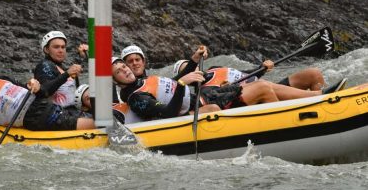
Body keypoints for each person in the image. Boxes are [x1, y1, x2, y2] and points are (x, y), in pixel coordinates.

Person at [0, 48, 96, 143]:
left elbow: (40, 92)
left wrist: (35, 85)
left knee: (100, 117)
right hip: (39, 118)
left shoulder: (2, 78)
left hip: (48, 105)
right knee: (98, 124)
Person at [173, 56, 347, 102]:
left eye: (193, 66)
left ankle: (327, 100)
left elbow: (245, 73)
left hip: (266, 86)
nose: (193, 71)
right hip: (258, 98)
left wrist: (262, 68)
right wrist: (225, 88)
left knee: (313, 73)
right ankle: (322, 97)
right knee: (264, 86)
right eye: (187, 71)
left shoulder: (215, 69)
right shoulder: (203, 92)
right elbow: (223, 101)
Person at [112, 57, 221, 121]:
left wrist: (194, 60)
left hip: (196, 100)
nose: (125, 70)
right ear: (115, 81)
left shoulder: (142, 81)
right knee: (213, 108)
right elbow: (169, 113)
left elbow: (173, 81)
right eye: (118, 72)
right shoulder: (136, 98)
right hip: (182, 114)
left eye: (124, 66)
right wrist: (181, 84)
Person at [33, 31, 94, 128]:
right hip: (57, 116)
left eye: (63, 47)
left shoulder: (62, 67)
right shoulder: (44, 65)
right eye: (56, 47)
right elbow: (44, 91)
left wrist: (85, 56)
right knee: (100, 122)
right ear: (46, 49)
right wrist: (67, 74)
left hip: (72, 112)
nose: (61, 50)